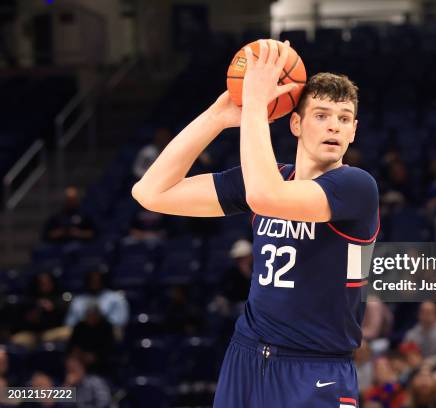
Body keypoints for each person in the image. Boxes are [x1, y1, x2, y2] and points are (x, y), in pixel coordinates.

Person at [131, 40, 379, 407]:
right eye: (322, 115)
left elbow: (266, 197)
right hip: (246, 358)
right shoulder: (272, 176)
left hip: (315, 371)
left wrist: (254, 109)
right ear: (295, 123)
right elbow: (150, 191)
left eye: (343, 118)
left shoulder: (355, 186)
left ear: (354, 130)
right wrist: (217, 117)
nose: (334, 127)